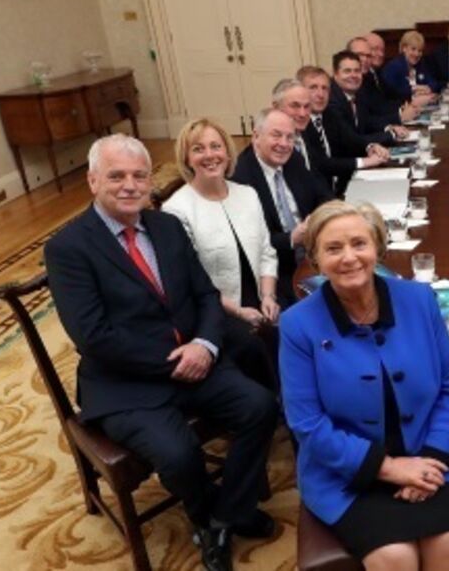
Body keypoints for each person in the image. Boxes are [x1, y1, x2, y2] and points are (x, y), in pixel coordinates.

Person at [45, 134, 279, 571]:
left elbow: (205, 294)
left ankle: (224, 517)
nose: (130, 185)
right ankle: (207, 513)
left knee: (261, 406)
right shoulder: (68, 248)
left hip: (197, 360)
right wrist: (177, 360)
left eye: (139, 175)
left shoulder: (167, 226)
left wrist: (205, 345)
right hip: (125, 383)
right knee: (179, 455)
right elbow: (93, 336)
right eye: (116, 176)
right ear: (93, 181)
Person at [280, 200, 449, 570]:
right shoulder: (297, 325)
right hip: (345, 472)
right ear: (316, 260)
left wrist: (431, 460)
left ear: (378, 248)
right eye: (333, 248)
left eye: (359, 243)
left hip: (426, 454)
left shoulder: (419, 300)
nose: (349, 257)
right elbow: (307, 424)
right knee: (394, 556)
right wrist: (389, 468)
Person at [161, 119, 281, 390]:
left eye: (216, 146)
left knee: (298, 324)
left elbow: (266, 252)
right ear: (187, 158)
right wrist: (239, 312)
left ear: (227, 153)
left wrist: (268, 296)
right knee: (254, 343)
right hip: (217, 308)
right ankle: (274, 404)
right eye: (198, 149)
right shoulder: (176, 210)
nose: (209, 155)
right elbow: (192, 280)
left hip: (260, 295)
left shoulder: (247, 194)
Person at [232, 109, 334, 308]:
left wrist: (318, 217)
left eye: (290, 137)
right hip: (277, 270)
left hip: (312, 250)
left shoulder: (293, 159)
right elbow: (248, 243)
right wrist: (291, 238)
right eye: (276, 135)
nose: (284, 144)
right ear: (256, 137)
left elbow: (322, 193)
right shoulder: (240, 178)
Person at [278, 76, 389, 196]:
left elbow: (351, 139)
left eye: (306, 106)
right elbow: (322, 165)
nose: (302, 113)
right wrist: (364, 162)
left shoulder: (327, 115)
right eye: (295, 106)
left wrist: (371, 146)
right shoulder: (296, 134)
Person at [381, 31, 438, 102]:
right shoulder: (394, 67)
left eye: (420, 51)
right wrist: (414, 90)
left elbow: (434, 83)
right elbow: (394, 92)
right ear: (404, 48)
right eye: (413, 49)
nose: (417, 54)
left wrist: (427, 88)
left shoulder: (420, 65)